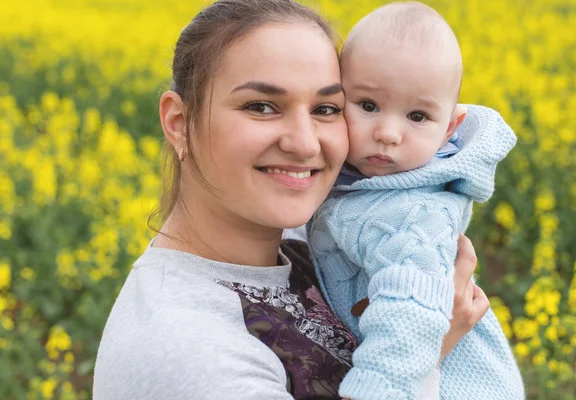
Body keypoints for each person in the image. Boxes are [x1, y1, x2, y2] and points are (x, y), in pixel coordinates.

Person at [92, 0, 522, 399]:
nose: (303, 143)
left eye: (326, 109)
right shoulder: (184, 350)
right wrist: (433, 344)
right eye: (261, 106)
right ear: (179, 122)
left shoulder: (312, 236)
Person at [307, 2, 523, 399]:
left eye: (418, 116)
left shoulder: (415, 213)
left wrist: (374, 390)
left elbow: (410, 313)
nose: (388, 133)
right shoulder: (350, 181)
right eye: (368, 106)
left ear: (449, 129)